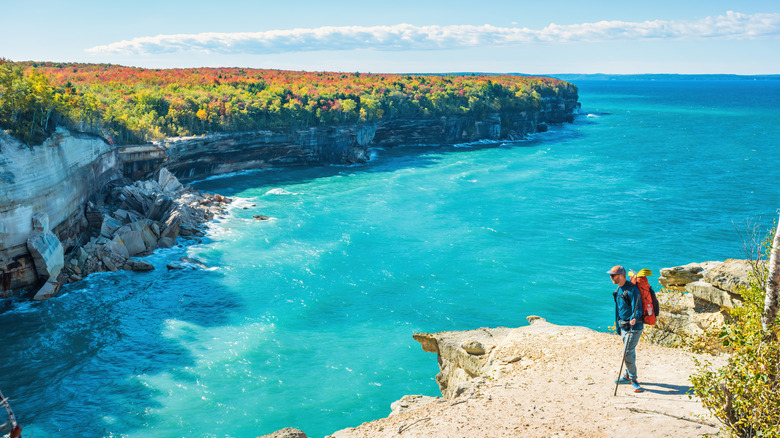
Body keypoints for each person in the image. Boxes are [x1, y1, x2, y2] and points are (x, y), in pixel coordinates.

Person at [608, 265, 645, 393]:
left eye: (613, 275)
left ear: (621, 276)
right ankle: (628, 375)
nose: (611, 277)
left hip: (634, 327)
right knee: (630, 352)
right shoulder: (619, 289)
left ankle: (634, 380)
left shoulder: (632, 290)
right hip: (623, 327)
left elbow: (638, 309)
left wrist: (634, 318)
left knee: (627, 353)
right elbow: (618, 310)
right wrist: (618, 327)